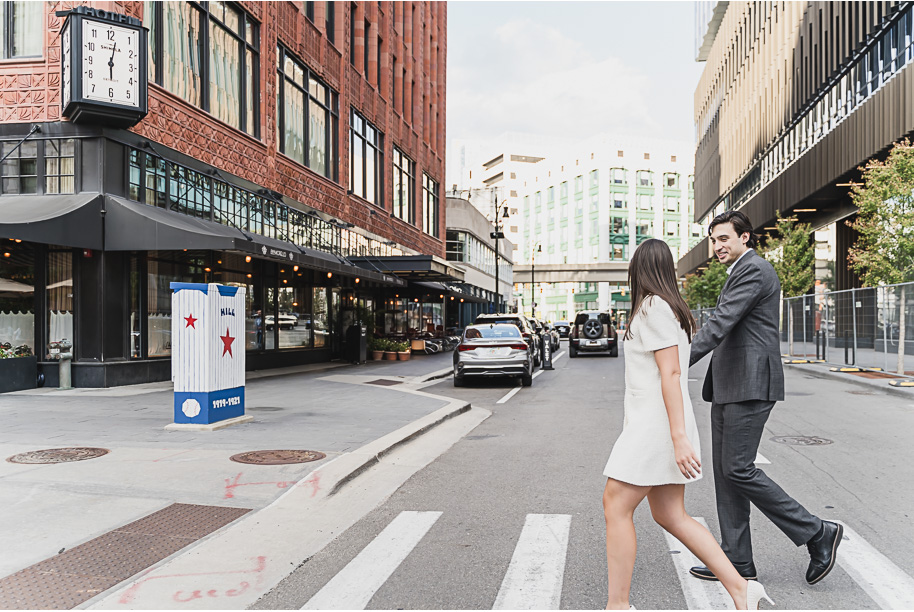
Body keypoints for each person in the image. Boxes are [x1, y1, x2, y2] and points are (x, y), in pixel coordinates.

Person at [602, 239, 773, 610]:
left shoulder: (653, 308)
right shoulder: (669, 308)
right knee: (669, 513)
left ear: (639, 270)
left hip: (655, 426)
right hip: (659, 423)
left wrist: (678, 438)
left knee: (615, 504)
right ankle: (743, 590)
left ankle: (618, 606)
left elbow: (672, 373)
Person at [688, 211, 842, 585]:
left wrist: (674, 362)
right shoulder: (739, 270)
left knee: (739, 468)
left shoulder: (754, 269)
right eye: (713, 240)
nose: (718, 246)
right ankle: (737, 560)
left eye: (724, 238)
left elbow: (721, 322)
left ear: (745, 238)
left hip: (750, 383)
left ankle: (818, 531)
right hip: (729, 384)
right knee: (727, 475)